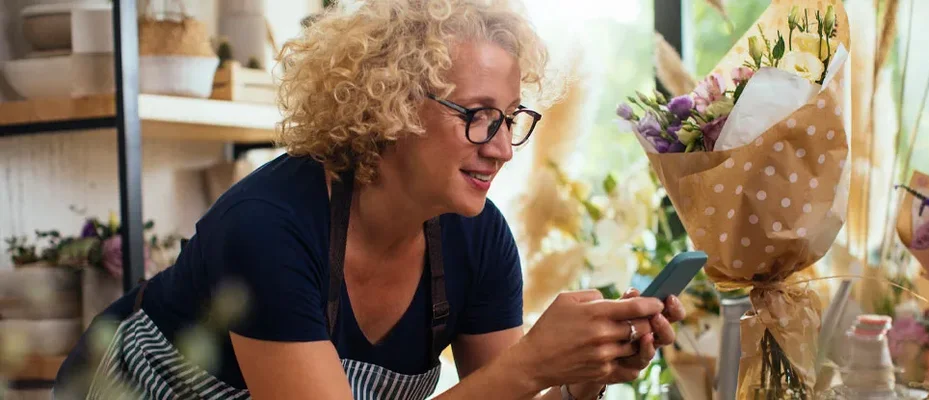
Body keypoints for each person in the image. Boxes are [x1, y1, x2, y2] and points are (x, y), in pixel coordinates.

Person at [53, 0, 687, 399]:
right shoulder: (268, 229)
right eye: (478, 116)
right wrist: (529, 366)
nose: (502, 149)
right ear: (387, 109)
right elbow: (504, 383)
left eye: (511, 119)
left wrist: (577, 379)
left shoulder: (477, 236)